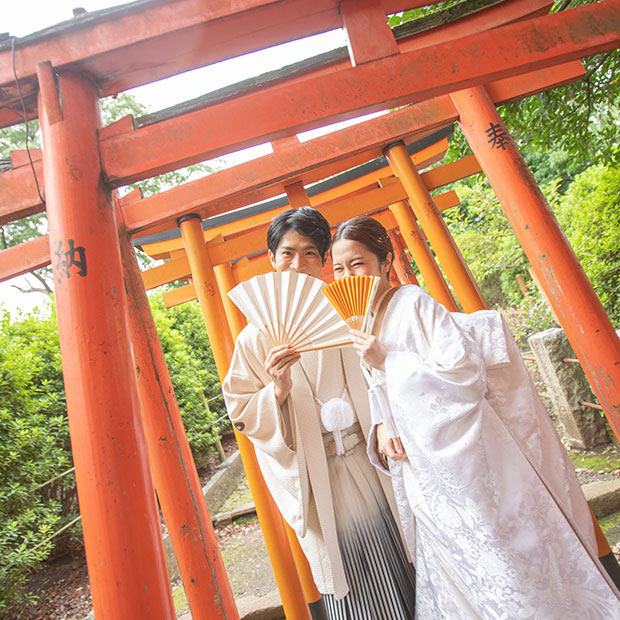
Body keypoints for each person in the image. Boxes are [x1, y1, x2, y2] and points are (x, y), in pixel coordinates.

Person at [330, 214, 620, 619]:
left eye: (357, 264)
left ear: (384, 260)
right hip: (421, 464)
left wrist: (389, 360)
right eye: (339, 268)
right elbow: (379, 388)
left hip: (467, 460)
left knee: (496, 546)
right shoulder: (360, 318)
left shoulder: (414, 303)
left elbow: (465, 374)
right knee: (450, 551)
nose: (347, 275)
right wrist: (380, 425)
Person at [222, 207, 416, 619]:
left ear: (324, 260)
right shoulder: (254, 338)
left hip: (367, 456)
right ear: (272, 259)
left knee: (402, 551)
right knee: (345, 571)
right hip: (314, 472)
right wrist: (277, 389)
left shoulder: (346, 310)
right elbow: (239, 408)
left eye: (311, 253)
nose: (298, 265)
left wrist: (384, 422)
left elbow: (378, 376)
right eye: (288, 253)